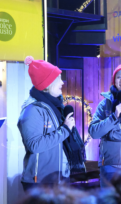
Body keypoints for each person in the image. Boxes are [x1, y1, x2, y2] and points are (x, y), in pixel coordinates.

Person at [18, 56, 75, 192]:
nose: (62, 82)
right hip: (41, 182)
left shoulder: (55, 106)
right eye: (58, 79)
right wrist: (65, 129)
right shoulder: (32, 110)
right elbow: (34, 145)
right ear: (47, 84)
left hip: (58, 178)